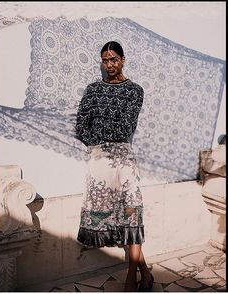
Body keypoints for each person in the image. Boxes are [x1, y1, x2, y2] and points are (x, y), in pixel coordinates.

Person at [75, 41, 154, 292]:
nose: (109, 64)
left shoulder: (135, 90)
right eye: (105, 60)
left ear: (123, 59)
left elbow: (127, 126)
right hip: (98, 160)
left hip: (122, 158)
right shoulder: (93, 89)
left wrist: (103, 132)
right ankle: (146, 274)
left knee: (131, 213)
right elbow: (81, 125)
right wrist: (96, 141)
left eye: (113, 59)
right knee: (113, 218)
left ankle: (131, 276)